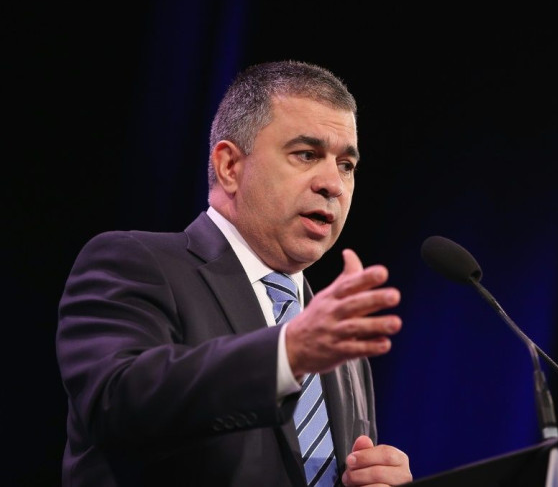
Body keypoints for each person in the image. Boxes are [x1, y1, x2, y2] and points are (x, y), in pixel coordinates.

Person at [56, 60, 413, 487]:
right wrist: (287, 354)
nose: (333, 184)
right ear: (229, 166)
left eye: (346, 165)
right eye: (306, 154)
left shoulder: (336, 339)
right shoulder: (134, 263)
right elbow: (116, 405)